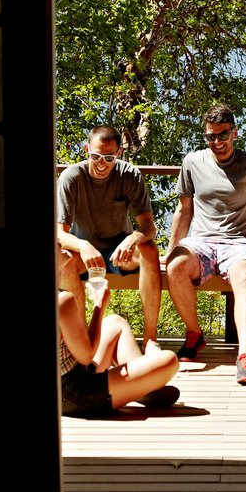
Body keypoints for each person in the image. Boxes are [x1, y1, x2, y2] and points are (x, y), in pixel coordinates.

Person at [165, 104, 246, 384]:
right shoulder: (192, 162)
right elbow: (184, 210)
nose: (217, 142)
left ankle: (245, 355)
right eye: (211, 136)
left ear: (235, 133)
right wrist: (171, 250)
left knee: (243, 278)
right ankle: (194, 335)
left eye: (223, 135)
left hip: (239, 242)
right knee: (175, 267)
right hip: (201, 241)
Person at [57, 125, 164, 352]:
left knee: (150, 250)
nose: (101, 164)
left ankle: (150, 338)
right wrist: (83, 246)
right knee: (64, 260)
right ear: (86, 149)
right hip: (83, 255)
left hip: (118, 253)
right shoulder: (71, 177)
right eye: (96, 156)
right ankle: (79, 341)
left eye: (108, 158)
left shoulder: (130, 174)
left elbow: (149, 227)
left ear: (118, 154)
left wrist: (133, 238)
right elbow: (59, 233)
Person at [56, 243, 180, 415]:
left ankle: (140, 385)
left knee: (116, 322)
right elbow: (86, 356)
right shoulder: (63, 301)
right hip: (75, 393)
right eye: (56, 245)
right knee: (169, 360)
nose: (62, 247)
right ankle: (143, 388)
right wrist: (99, 306)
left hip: (72, 375)